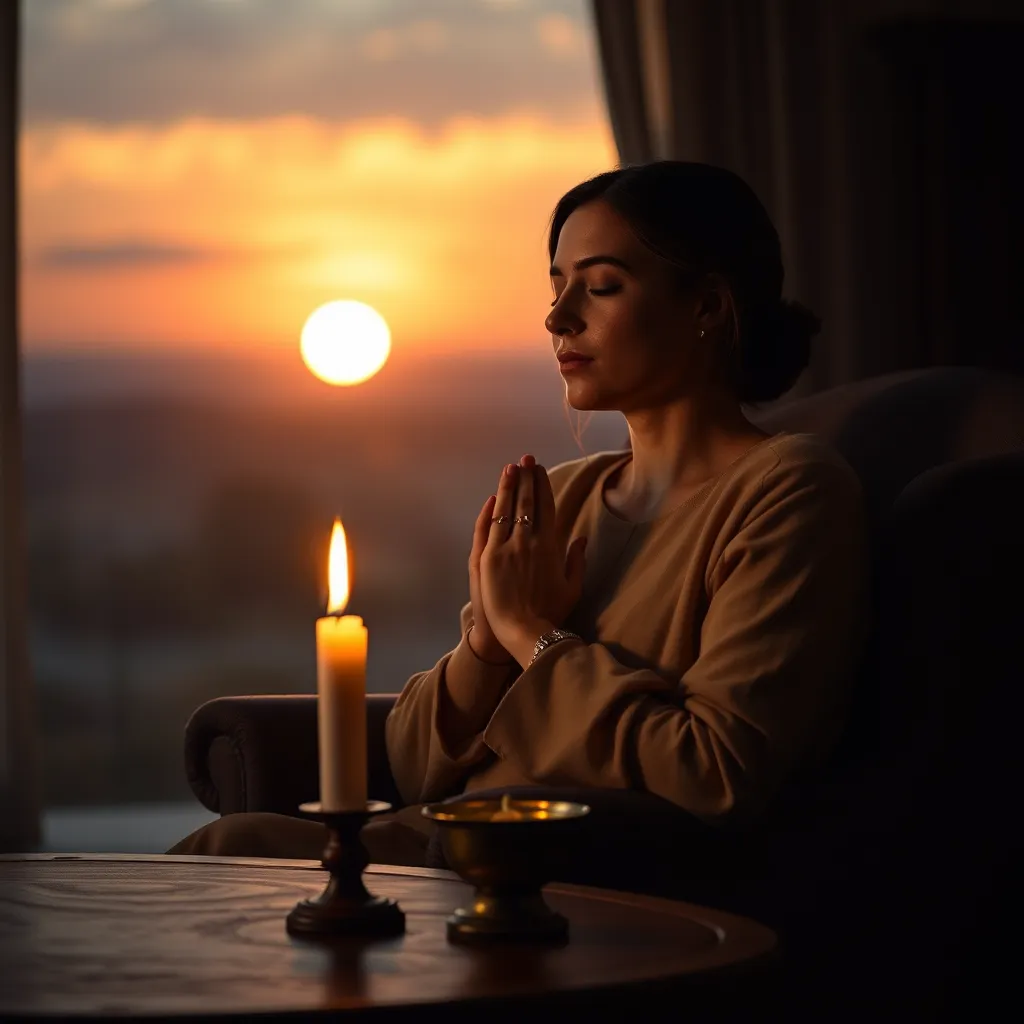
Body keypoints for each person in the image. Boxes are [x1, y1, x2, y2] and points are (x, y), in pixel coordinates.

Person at [168, 160, 869, 865]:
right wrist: (485, 646)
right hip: (431, 844)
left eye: (601, 287)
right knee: (220, 850)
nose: (557, 317)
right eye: (558, 286)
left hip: (532, 879)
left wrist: (532, 633)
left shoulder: (788, 491)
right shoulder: (562, 498)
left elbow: (717, 772)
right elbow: (414, 768)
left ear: (708, 308)